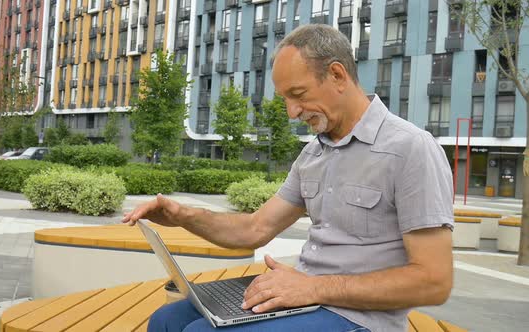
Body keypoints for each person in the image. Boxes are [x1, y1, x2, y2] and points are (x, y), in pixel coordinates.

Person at [122, 24, 454, 332]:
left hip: (358, 318)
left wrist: (312, 287)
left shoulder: (410, 148)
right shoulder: (314, 153)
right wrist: (184, 217)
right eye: (285, 99)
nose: (292, 112)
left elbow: (433, 281)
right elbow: (255, 228)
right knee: (166, 321)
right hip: (302, 298)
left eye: (298, 94)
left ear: (337, 75)